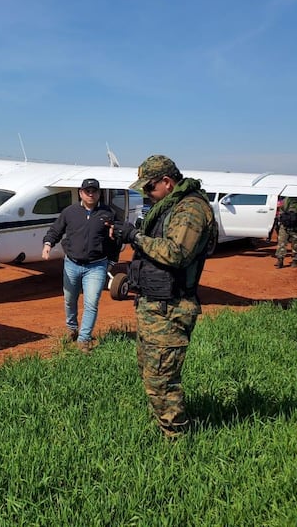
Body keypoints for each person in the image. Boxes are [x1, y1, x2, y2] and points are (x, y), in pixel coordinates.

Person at [112, 155, 216, 439]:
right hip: (153, 304)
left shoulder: (191, 209)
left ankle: (177, 440)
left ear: (167, 182)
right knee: (150, 371)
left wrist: (135, 237)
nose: (146, 194)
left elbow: (176, 253)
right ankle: (163, 423)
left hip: (171, 307)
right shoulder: (169, 206)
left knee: (162, 378)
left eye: (149, 187)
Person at [42, 178, 119, 354]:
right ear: (80, 193)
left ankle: (84, 339)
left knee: (91, 302)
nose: (91, 194)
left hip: (96, 266)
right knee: (70, 300)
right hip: (72, 264)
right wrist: (48, 243)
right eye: (87, 191)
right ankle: (72, 328)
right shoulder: (69, 212)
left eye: (94, 191)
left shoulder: (108, 214)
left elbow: (116, 239)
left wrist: (112, 261)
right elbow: (56, 230)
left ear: (99, 193)